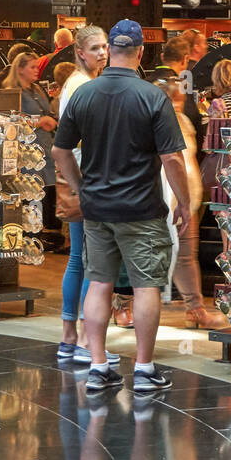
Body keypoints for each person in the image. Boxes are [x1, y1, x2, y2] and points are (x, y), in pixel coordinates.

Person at [52, 20, 193, 395]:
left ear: (110, 50)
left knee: (98, 281)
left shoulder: (84, 93)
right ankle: (144, 370)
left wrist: (81, 187)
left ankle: (98, 365)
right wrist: (185, 201)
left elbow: (59, 151)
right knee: (146, 285)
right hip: (142, 209)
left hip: (98, 209)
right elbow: (173, 159)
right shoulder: (152, 96)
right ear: (142, 52)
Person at [54, 25, 121, 363]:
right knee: (90, 261)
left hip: (78, 176)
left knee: (79, 258)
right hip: (86, 177)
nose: (102, 53)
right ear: (79, 51)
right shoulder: (84, 85)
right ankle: (82, 340)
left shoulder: (75, 84)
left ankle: (70, 337)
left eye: (105, 47)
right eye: (95, 48)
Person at [153, 76, 227, 329]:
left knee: (186, 255)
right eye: (173, 100)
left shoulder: (184, 121)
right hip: (160, 197)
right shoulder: (152, 122)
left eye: (180, 101)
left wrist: (191, 197)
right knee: (148, 254)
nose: (177, 105)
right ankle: (123, 303)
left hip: (186, 198)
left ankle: (195, 310)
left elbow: (189, 160)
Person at [3, 50, 57, 201]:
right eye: (32, 67)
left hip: (44, 148)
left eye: (36, 67)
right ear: (20, 69)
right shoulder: (13, 92)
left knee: (45, 193)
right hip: (26, 153)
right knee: (31, 196)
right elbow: (12, 121)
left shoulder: (37, 89)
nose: (36, 70)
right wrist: (40, 122)